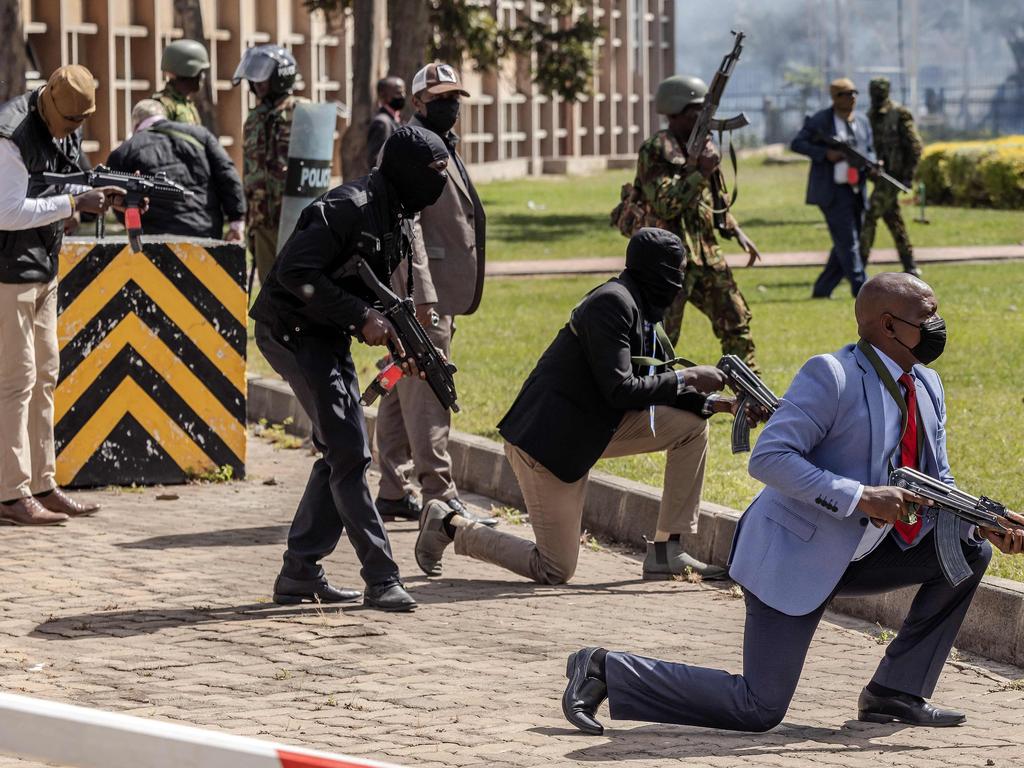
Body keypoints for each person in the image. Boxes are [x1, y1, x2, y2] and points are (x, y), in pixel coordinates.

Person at [561, 272, 1024, 736]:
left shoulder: (927, 384)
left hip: (864, 552)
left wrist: (979, 523)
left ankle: (895, 693)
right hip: (793, 554)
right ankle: (604, 670)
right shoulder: (833, 375)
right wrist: (861, 495)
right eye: (928, 316)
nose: (938, 324)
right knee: (758, 707)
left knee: (967, 552)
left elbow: (935, 480)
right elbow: (769, 458)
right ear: (888, 325)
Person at [414, 228, 755, 584]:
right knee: (555, 568)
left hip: (593, 427)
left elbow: (647, 383)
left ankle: (666, 550)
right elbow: (622, 390)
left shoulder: (639, 306)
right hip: (548, 444)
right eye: (678, 273)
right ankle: (449, 525)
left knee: (690, 428)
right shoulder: (613, 304)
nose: (681, 284)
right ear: (657, 272)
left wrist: (722, 404)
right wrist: (689, 378)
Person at [249, 125, 451, 612]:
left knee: (341, 450)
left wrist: (408, 347)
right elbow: (295, 273)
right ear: (405, 171)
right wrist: (363, 317)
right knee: (348, 450)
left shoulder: (399, 213)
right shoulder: (347, 208)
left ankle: (300, 572)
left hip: (325, 332)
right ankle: (381, 576)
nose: (439, 184)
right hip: (290, 329)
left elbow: (374, 291)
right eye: (433, 173)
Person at [0, 65, 124, 525]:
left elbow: (74, 180)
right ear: (49, 102)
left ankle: (42, 483)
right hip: (7, 272)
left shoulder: (65, 127)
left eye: (79, 124)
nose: (72, 131)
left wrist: (111, 195)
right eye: (69, 122)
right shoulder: (11, 134)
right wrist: (73, 204)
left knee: (45, 374)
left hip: (43, 267)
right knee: (16, 380)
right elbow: (7, 210)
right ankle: (11, 494)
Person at [374, 62, 494, 526]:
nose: (450, 106)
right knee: (430, 390)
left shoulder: (441, 143)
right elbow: (407, 225)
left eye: (455, 99)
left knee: (401, 385)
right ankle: (439, 495)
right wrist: (421, 298)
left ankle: (391, 488)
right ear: (418, 101)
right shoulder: (409, 146)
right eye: (440, 98)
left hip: (434, 291)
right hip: (423, 295)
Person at [630, 75, 760, 370]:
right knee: (660, 338)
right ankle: (649, 401)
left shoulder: (705, 148)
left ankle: (749, 397)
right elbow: (666, 204)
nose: (706, 119)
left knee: (737, 323)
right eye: (696, 112)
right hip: (668, 263)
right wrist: (699, 171)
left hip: (707, 257)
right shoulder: (655, 150)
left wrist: (735, 229)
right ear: (674, 112)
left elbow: (716, 202)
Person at [106, 99, 245, 241]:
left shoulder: (124, 151)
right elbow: (228, 175)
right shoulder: (201, 136)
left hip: (153, 237)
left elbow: (116, 198)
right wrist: (236, 222)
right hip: (204, 230)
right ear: (164, 115)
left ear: (135, 124)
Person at [791, 77, 875, 299]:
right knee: (848, 241)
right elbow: (797, 143)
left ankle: (822, 289)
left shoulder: (863, 122)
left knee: (847, 241)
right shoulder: (821, 121)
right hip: (832, 191)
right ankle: (862, 290)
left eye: (854, 93)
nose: (852, 98)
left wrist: (874, 163)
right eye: (846, 94)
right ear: (835, 98)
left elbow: (869, 149)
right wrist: (826, 154)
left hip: (857, 188)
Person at [233, 44, 303, 285]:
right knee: (269, 290)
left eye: (262, 78)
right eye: (254, 80)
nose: (257, 85)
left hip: (295, 221)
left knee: (297, 287)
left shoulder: (302, 113)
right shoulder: (252, 120)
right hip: (261, 221)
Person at [861, 77, 923, 276]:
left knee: (869, 215)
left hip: (894, 177)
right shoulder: (868, 117)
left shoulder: (899, 114)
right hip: (879, 176)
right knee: (893, 219)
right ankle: (909, 263)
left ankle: (858, 265)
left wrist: (908, 176)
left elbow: (915, 147)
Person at [153, 39, 210, 125]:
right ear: (187, 71)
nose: (203, 77)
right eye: (200, 72)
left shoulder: (187, 105)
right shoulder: (160, 106)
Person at [366, 76, 405, 168]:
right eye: (398, 93)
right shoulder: (381, 123)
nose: (402, 96)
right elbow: (376, 161)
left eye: (403, 92)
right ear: (383, 95)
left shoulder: (398, 119)